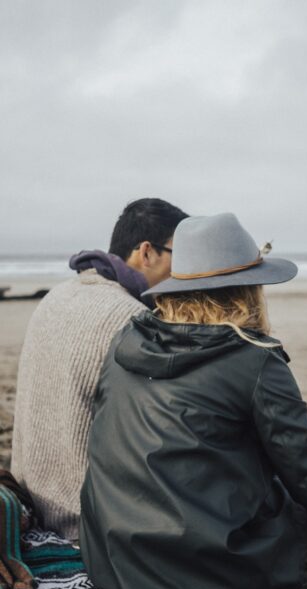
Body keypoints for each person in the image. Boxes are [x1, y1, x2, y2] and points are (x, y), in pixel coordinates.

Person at [80, 212, 307, 589]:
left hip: (113, 562)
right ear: (249, 290)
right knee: (302, 493)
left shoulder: (126, 341)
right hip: (205, 578)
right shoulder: (253, 360)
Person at [12, 197, 188, 541]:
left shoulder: (58, 295)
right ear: (147, 252)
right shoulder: (133, 319)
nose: (185, 274)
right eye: (180, 258)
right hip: (83, 522)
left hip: (33, 500)